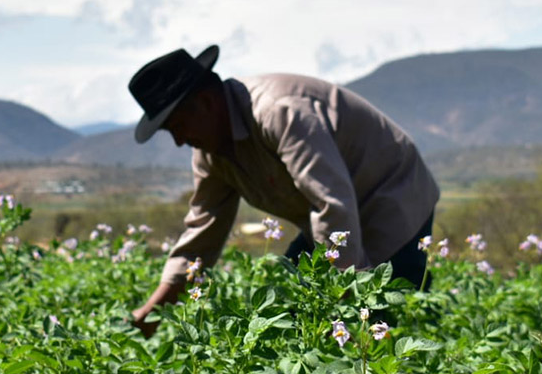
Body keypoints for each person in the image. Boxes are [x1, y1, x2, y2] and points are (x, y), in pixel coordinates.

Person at [127, 44, 440, 337]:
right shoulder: (211, 153)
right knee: (287, 311)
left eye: (178, 127)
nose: (179, 141)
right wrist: (152, 312)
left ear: (206, 104)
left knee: (391, 320)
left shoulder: (280, 112)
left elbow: (330, 204)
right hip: (334, 218)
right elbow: (202, 232)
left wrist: (342, 297)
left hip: (392, 197)